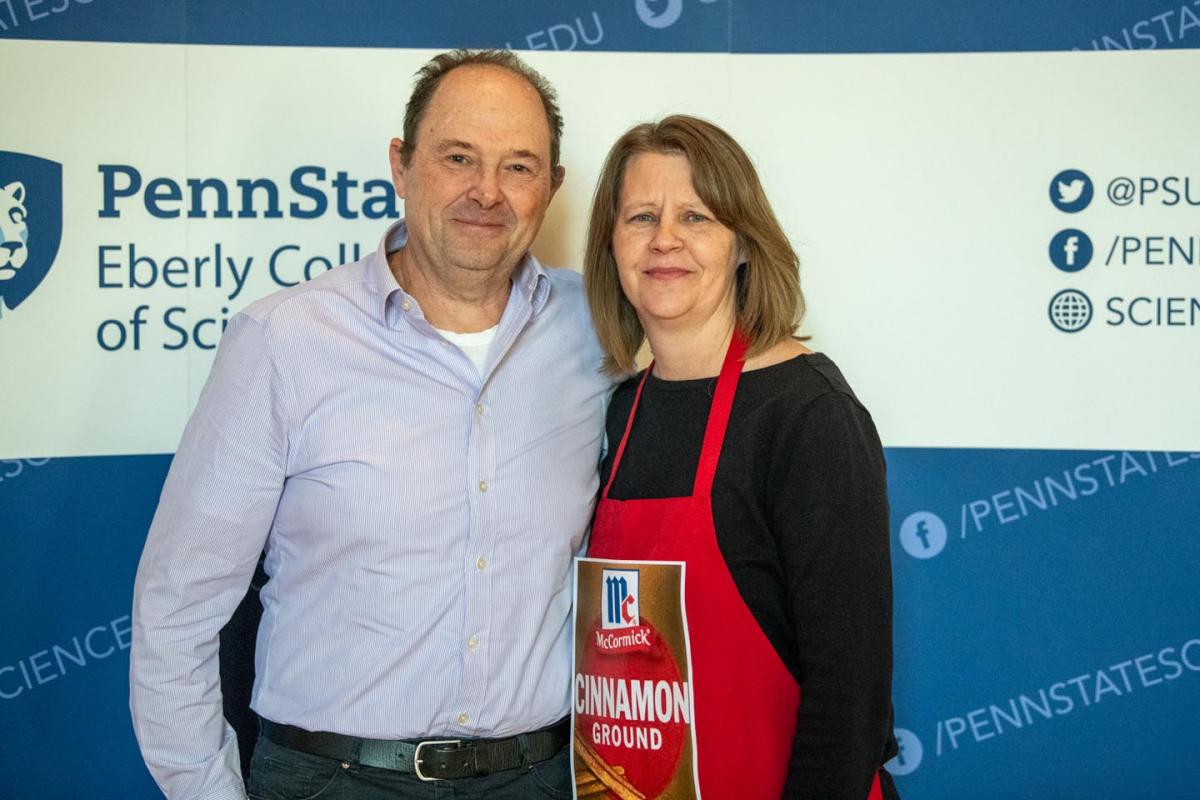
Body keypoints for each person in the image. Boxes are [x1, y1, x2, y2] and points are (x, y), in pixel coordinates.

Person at [130, 49, 611, 800]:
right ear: (402, 164)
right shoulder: (283, 341)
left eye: (518, 167)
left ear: (550, 187)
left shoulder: (599, 331)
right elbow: (178, 603)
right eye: (458, 157)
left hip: (539, 778)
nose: (487, 191)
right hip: (333, 779)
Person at [581, 115, 900, 799]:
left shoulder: (808, 416)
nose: (665, 239)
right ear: (611, 245)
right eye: (641, 217)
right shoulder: (621, 410)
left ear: (744, 245)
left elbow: (849, 697)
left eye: (696, 217)